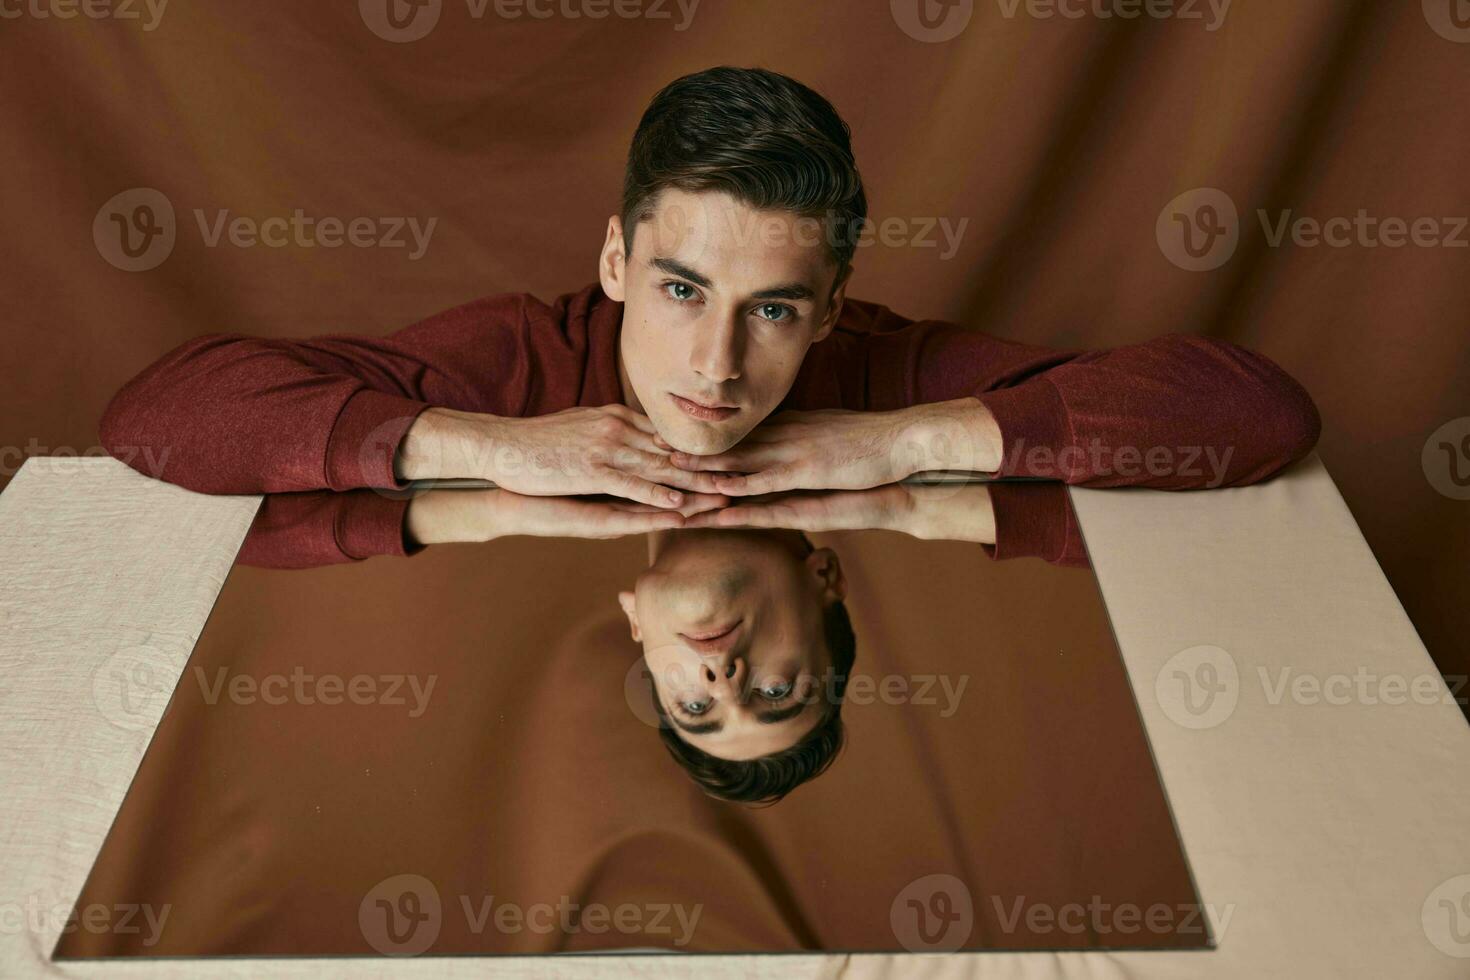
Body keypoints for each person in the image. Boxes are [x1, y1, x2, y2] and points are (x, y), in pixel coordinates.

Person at [98, 67, 1321, 564]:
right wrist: (488, 454)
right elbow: (157, 416)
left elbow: (1257, 412)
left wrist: (905, 444)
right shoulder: (527, 352)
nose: (718, 363)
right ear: (618, 258)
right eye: (683, 289)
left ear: (831, 306)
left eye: (774, 310)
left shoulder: (886, 369)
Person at [235, 480, 1085, 803]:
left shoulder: (526, 451)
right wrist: (897, 488)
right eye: (774, 692)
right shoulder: (874, 393)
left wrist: (494, 498)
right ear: (826, 580)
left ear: (636, 624)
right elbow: (1214, 435)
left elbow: (226, 524)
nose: (723, 674)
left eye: (694, 702)